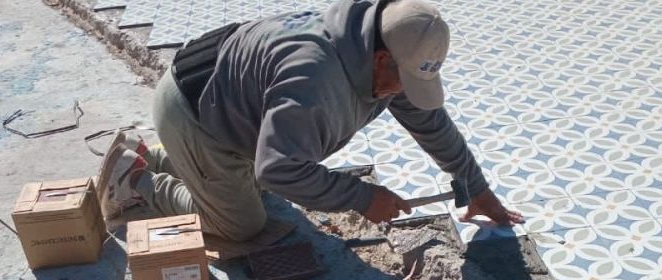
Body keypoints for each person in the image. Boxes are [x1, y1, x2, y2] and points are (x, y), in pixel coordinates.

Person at [97, 0, 523, 241]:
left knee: (265, 182)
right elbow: (279, 168)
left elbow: (432, 125)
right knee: (241, 226)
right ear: (381, 59)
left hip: (225, 101)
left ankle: (156, 155)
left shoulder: (378, 49)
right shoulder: (316, 79)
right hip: (194, 113)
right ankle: (137, 183)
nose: (403, 94)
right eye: (403, 81)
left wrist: (476, 187)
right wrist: (360, 196)